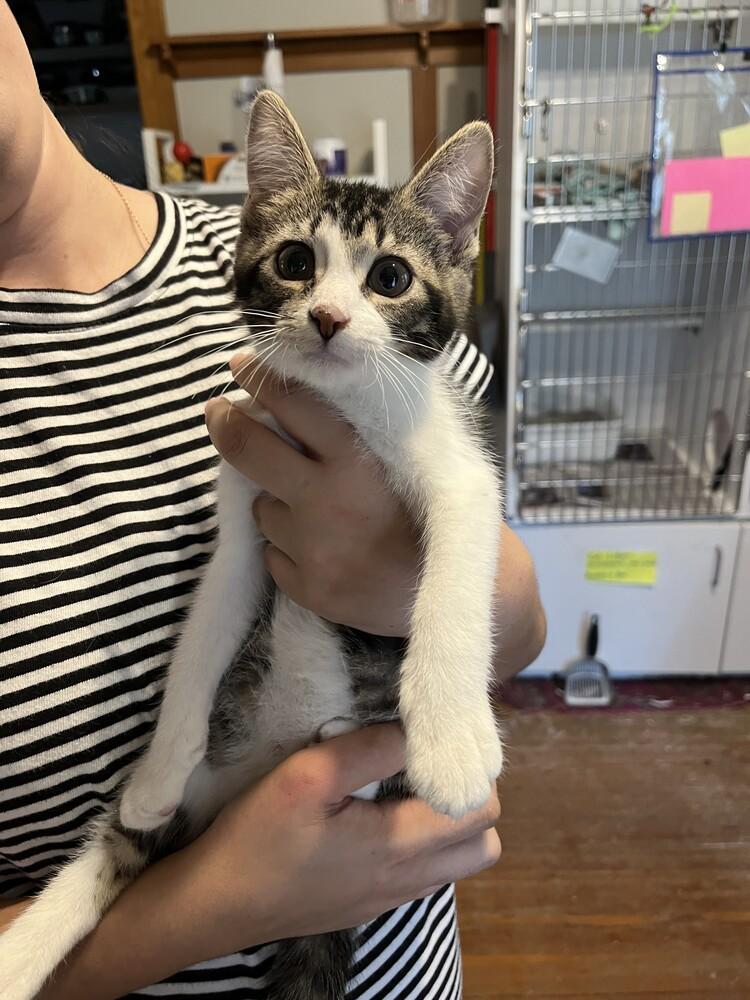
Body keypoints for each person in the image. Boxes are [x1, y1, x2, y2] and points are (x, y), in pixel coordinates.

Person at [0, 4, 546, 997]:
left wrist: (411, 610)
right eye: (299, 264)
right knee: (139, 826)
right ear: (261, 235)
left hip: (390, 898)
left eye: (386, 279)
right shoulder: (258, 379)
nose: (333, 307)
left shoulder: (405, 389)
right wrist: (223, 890)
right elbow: (232, 567)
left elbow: (484, 532)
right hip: (235, 777)